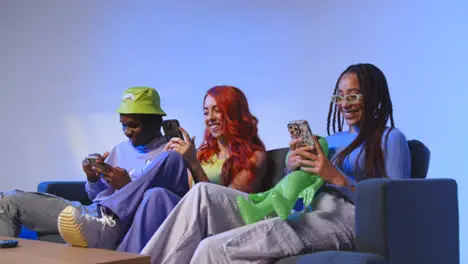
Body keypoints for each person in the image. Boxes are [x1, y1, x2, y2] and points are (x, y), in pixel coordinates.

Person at [139, 63, 412, 264]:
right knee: (202, 193)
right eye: (339, 96)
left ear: (373, 96)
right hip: (300, 209)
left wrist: (337, 178)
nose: (344, 103)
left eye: (353, 95)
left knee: (211, 249)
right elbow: (297, 189)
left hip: (342, 220)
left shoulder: (390, 138)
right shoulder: (331, 139)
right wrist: (292, 167)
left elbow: (396, 205)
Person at [0, 87, 190, 251]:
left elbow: (160, 208)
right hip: (93, 216)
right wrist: (92, 179)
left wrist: (126, 185)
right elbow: (96, 196)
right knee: (8, 202)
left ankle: (105, 226)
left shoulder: (169, 154)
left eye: (134, 125)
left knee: (171, 160)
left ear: (156, 122)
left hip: (123, 225)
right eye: (123, 125)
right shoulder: (120, 149)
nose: (127, 131)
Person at [116, 85, 267, 253]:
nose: (210, 118)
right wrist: (177, 162)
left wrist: (194, 164)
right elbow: (187, 194)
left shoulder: (254, 156)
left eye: (217, 111)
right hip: (189, 215)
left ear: (234, 113)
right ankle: (121, 256)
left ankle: (117, 210)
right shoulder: (204, 152)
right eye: (206, 112)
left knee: (158, 193)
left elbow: (224, 205)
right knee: (156, 193)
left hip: (219, 222)